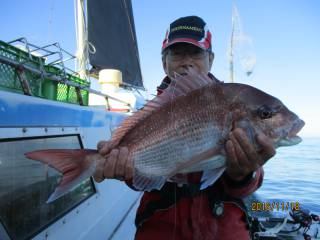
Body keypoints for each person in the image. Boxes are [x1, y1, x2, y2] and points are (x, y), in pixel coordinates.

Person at [93, 16, 276, 240]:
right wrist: (124, 169)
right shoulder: (151, 112)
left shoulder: (234, 101)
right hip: (162, 227)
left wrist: (244, 174)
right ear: (164, 63)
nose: (186, 62)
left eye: (196, 53)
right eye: (177, 53)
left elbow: (247, 188)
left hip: (224, 229)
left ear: (210, 59)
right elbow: (140, 181)